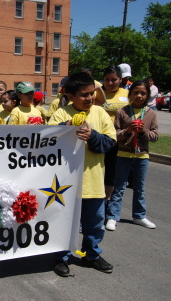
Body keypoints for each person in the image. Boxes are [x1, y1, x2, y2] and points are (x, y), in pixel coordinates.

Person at [48, 72, 116, 277]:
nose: (89, 98)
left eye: (91, 94)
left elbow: (110, 143)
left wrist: (92, 136)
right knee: (66, 222)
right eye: (84, 95)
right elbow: (48, 140)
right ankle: (62, 257)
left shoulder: (100, 113)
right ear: (70, 96)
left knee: (94, 222)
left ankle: (91, 254)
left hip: (93, 181)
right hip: (66, 184)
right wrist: (67, 128)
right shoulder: (62, 114)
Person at [106, 80, 158, 231]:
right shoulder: (122, 112)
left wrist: (144, 132)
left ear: (147, 95)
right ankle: (112, 216)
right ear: (130, 94)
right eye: (136, 93)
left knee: (139, 188)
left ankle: (139, 215)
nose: (139, 96)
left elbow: (155, 136)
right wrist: (128, 131)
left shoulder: (151, 114)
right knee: (119, 187)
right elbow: (115, 134)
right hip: (123, 155)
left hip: (141, 157)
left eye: (143, 93)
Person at [102, 66, 129, 201]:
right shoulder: (97, 93)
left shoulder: (127, 94)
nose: (110, 83)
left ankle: (108, 200)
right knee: (99, 169)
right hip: (101, 138)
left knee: (112, 171)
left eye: (114, 79)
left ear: (120, 79)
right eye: (107, 79)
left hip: (119, 139)